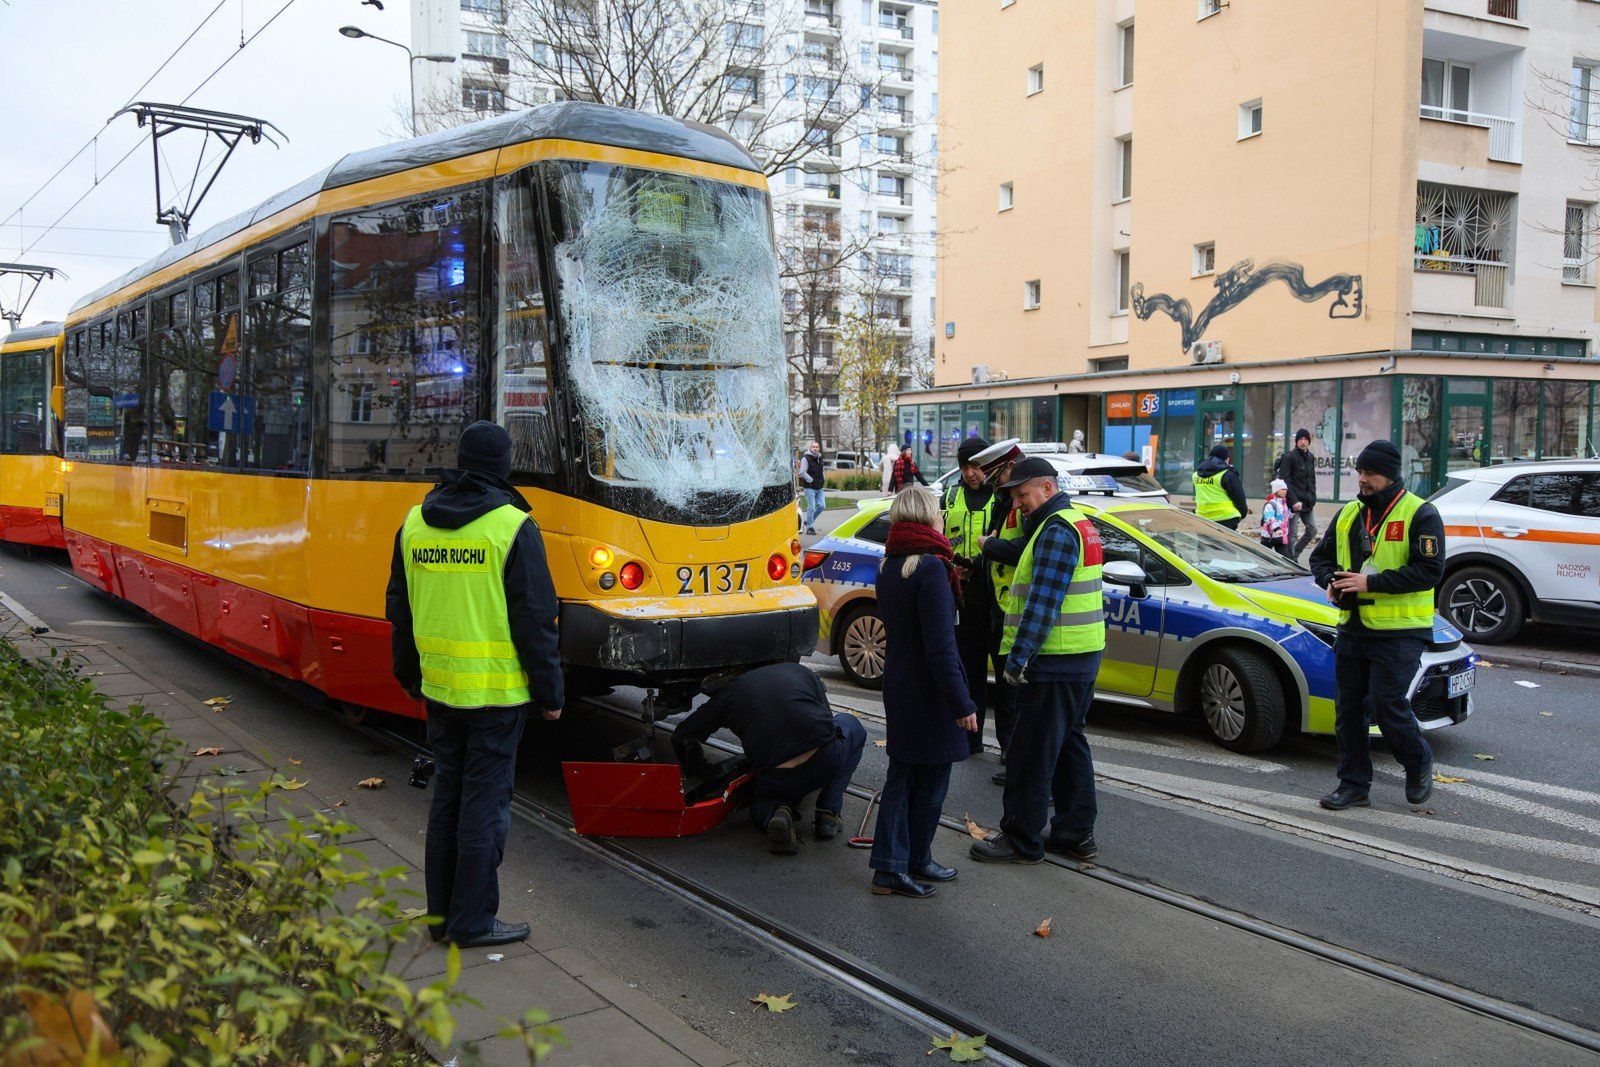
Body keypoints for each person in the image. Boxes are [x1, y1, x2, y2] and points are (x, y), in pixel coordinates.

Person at [386, 421, 564, 948]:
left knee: (447, 800)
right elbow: (536, 620)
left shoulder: (415, 522)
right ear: (504, 467)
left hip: (440, 690)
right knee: (484, 809)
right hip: (496, 696)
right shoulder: (512, 527)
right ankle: (472, 922)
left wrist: (409, 675)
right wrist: (551, 693)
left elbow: (399, 608)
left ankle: (442, 917)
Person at [970, 456, 1106, 865]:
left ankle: (1021, 839)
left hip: (1053, 660)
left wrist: (1017, 660)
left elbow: (1044, 604)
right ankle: (1073, 833)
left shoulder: (1056, 530)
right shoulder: (1076, 522)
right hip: (1079, 656)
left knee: (1030, 752)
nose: (1018, 505)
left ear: (1046, 488)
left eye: (1022, 495)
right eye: (1014, 498)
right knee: (1068, 746)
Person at [1309, 440, 1445, 812]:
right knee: (1349, 709)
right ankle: (1353, 785)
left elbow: (1430, 571)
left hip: (1400, 630)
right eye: (1360, 472)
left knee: (1384, 702)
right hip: (1353, 625)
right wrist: (1330, 582)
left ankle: (1417, 761)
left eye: (1370, 474)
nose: (1363, 480)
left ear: (1390, 475)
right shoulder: (1350, 513)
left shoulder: (1421, 514)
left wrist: (1371, 583)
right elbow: (1319, 558)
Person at [870, 487, 980, 897]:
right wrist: (962, 703)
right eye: (939, 512)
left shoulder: (890, 564)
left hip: (901, 683)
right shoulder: (931, 568)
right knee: (917, 778)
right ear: (927, 517)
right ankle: (891, 866)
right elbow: (940, 646)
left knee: (918, 774)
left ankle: (914, 858)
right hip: (929, 691)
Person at [672, 662, 866, 854]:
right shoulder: (799, 671)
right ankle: (828, 813)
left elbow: (683, 736)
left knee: (762, 804)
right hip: (824, 761)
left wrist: (700, 772)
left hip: (777, 777)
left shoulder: (727, 695)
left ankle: (777, 811)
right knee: (851, 724)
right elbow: (827, 724)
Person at [974, 439, 1026, 787]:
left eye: (997, 476)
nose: (995, 485)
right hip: (1000, 610)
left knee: (1014, 693)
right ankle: (1010, 753)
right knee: (1005, 692)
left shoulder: (1023, 506)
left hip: (1015, 614)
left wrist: (989, 545)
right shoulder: (1004, 503)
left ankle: (1016, 758)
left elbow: (1022, 550)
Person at [944, 437, 995, 756]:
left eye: (975, 466)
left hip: (993, 596)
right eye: (964, 467)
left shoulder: (1003, 498)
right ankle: (970, 738)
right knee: (968, 670)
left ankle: (1006, 746)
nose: (970, 473)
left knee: (1002, 682)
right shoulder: (950, 494)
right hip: (960, 594)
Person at [1276, 428, 1320, 557]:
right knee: (1292, 534)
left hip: (1307, 502)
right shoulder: (1290, 457)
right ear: (1296, 442)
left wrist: (1313, 497)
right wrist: (1293, 501)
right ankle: (1289, 561)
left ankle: (1295, 553)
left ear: (1309, 441)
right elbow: (1285, 481)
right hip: (1293, 503)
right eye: (1300, 439)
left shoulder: (1311, 457)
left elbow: (1311, 480)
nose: (1303, 442)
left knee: (1313, 530)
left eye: (1306, 439)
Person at [1192, 444, 1248, 530]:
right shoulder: (1227, 474)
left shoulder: (1196, 475)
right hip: (1226, 519)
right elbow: (1239, 498)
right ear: (1226, 458)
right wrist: (1242, 514)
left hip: (1203, 518)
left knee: (1204, 543)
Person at [797, 440, 826, 535]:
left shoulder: (820, 457)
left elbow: (822, 471)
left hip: (819, 487)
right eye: (813, 447)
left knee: (822, 506)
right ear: (810, 448)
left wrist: (823, 479)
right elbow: (802, 472)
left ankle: (809, 521)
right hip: (809, 487)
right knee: (812, 507)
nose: (815, 448)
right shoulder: (806, 458)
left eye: (817, 447)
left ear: (819, 448)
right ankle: (810, 527)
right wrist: (811, 480)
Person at [1260, 479, 1292, 559]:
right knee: (1262, 557)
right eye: (1282, 489)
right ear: (1276, 491)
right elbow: (1269, 517)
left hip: (1280, 536)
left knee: (1285, 558)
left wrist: (1294, 510)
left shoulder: (1284, 503)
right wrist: (1277, 528)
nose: (1284, 491)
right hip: (1269, 536)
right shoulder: (1270, 504)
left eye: (1285, 489)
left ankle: (1287, 570)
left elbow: (1287, 516)